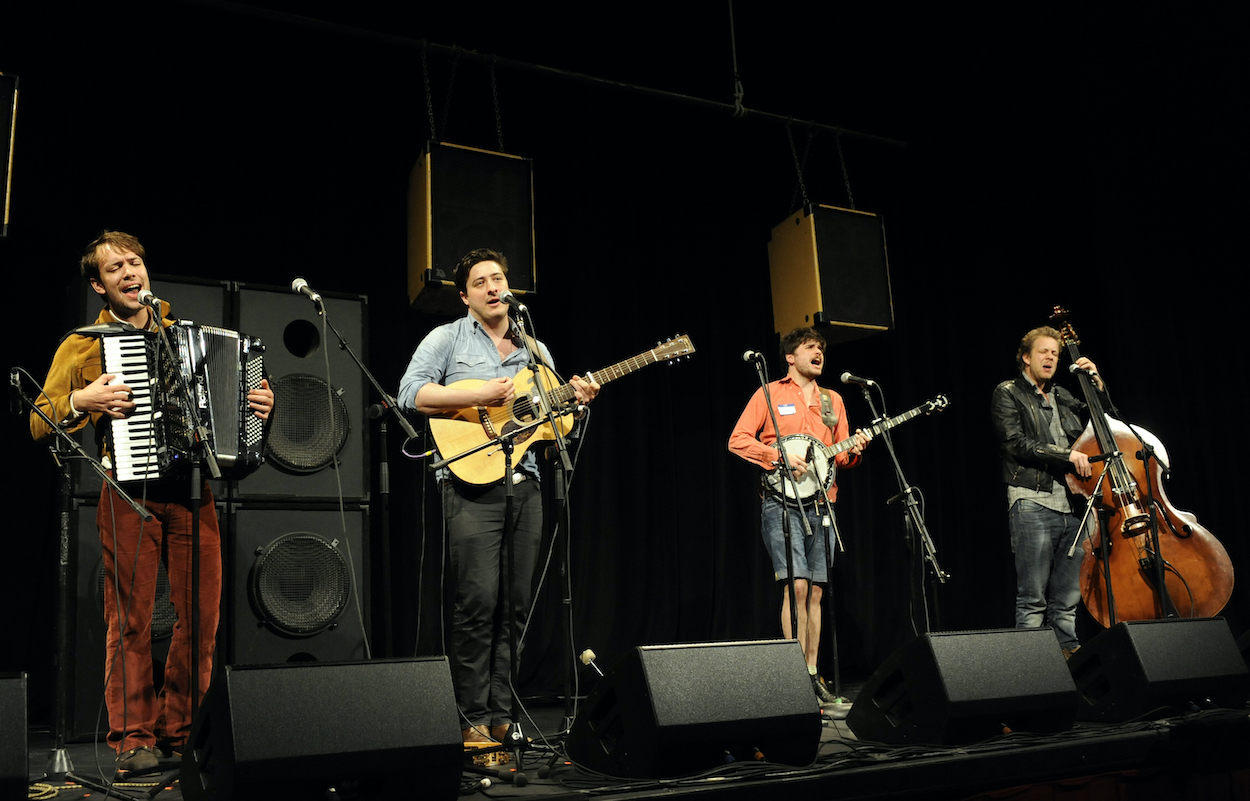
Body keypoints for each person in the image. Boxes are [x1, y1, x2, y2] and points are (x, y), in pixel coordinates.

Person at [30, 231, 274, 777]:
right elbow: (37, 419)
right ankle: (133, 739)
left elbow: (231, 406)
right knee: (132, 623)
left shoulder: (178, 331)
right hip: (128, 492)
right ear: (98, 285)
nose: (129, 272)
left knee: (201, 621)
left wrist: (258, 404)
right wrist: (81, 399)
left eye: (134, 262)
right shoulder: (84, 342)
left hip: (192, 492)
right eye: (114, 268)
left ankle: (182, 731)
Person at [398, 248, 598, 744]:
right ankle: (471, 721)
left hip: (525, 486)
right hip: (469, 484)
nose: (493, 287)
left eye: (499, 278)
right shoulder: (447, 338)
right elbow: (410, 393)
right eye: (481, 281)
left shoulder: (535, 350)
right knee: (478, 602)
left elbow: (556, 427)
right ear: (464, 295)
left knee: (516, 605)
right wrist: (478, 394)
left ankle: (504, 717)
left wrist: (577, 399)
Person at [728, 327, 869, 705]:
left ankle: (812, 674)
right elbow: (738, 439)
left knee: (817, 592)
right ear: (791, 357)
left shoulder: (832, 399)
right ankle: (794, 677)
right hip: (781, 502)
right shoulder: (769, 393)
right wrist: (777, 456)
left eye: (821, 348)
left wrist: (855, 448)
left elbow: (840, 458)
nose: (818, 352)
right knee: (798, 586)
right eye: (810, 347)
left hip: (823, 502)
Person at [990, 325, 1102, 659]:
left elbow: (1103, 420)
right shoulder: (1008, 392)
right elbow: (1014, 443)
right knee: (1033, 596)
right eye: (1043, 352)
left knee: (1068, 597)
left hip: (1075, 505)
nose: (1051, 357)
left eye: (1055, 353)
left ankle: (1068, 653)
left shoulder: (1064, 395)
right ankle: (1032, 663)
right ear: (1026, 357)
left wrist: (1096, 383)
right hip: (1032, 501)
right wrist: (1066, 455)